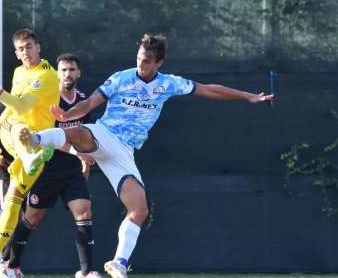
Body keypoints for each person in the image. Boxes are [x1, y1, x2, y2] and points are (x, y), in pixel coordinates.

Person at [20, 34, 275, 278]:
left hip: (124, 152)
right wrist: (67, 115)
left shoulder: (168, 83)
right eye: (139, 57)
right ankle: (35, 139)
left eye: (147, 60)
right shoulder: (121, 78)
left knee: (139, 209)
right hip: (105, 134)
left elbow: (209, 89)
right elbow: (89, 105)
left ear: (159, 63)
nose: (141, 63)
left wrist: (247, 96)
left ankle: (119, 263)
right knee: (76, 132)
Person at [0, 29, 60, 278]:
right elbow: (10, 108)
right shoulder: (19, 73)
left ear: (38, 47)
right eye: (20, 49)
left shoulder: (47, 76)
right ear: (16, 54)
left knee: (12, 202)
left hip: (37, 144)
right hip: (20, 144)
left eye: (29, 46)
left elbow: (22, 105)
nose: (25, 52)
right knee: (18, 128)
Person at [0, 53, 100, 278]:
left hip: (72, 170)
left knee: (84, 211)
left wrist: (85, 159)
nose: (67, 74)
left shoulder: (83, 103)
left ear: (78, 73)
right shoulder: (47, 99)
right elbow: (41, 135)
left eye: (72, 69)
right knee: (32, 218)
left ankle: (87, 271)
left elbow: (86, 136)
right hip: (46, 167)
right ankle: (9, 264)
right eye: (63, 70)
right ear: (57, 74)